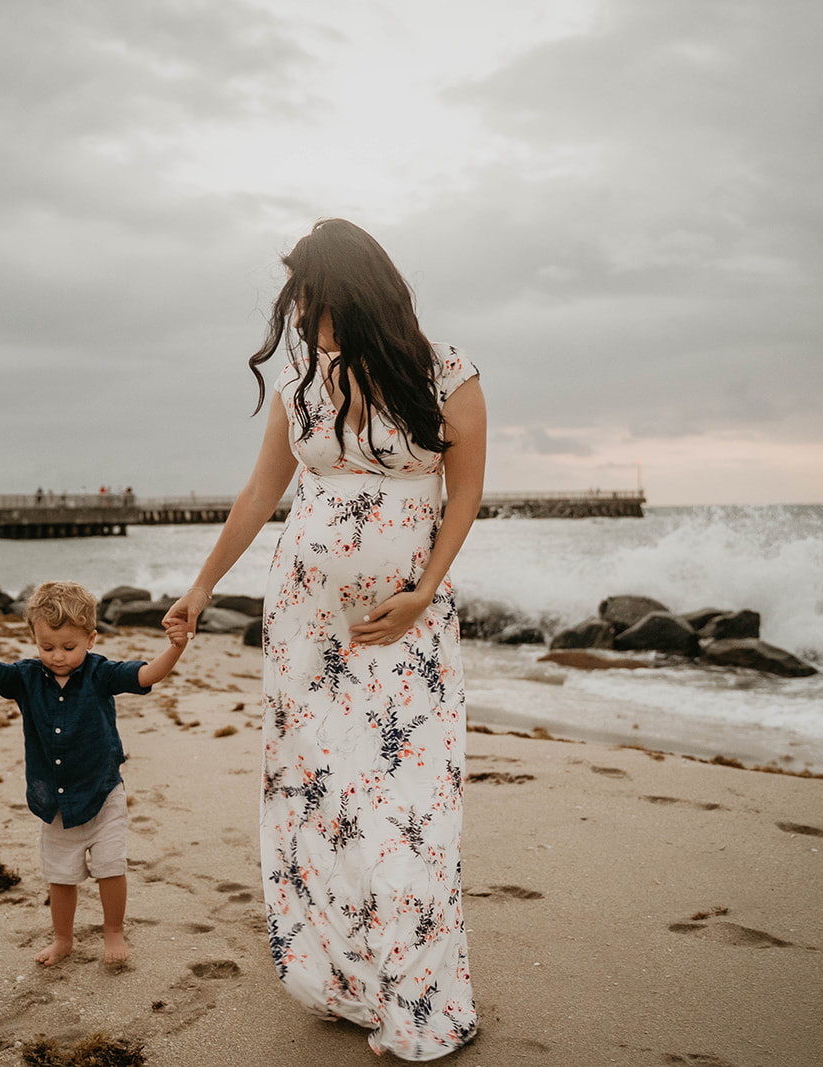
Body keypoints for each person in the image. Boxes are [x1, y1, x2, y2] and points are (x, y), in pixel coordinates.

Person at [162, 219, 487, 1060]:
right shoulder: (304, 381)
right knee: (320, 796)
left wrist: (422, 594)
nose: (303, 315)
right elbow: (259, 493)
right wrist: (201, 586)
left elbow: (463, 498)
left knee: (407, 806)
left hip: (403, 628)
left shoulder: (446, 371)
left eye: (313, 298)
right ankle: (348, 977)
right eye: (298, 302)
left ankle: (418, 993)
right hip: (304, 625)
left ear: (356, 291)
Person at [0, 580, 186, 967]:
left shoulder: (100, 674)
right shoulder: (25, 678)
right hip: (53, 799)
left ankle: (113, 931)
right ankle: (63, 939)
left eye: (69, 647)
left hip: (103, 793)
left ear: (90, 639)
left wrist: (177, 646)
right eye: (47, 647)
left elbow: (146, 675)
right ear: (34, 639)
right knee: (61, 877)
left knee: (111, 868)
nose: (57, 656)